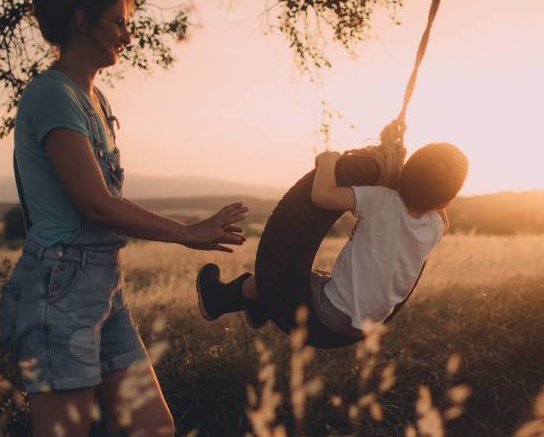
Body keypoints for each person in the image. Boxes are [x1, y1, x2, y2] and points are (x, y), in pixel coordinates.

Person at [0, 0, 249, 437]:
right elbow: (94, 203)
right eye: (117, 22)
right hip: (58, 286)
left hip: (100, 289)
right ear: (83, 21)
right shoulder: (52, 95)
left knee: (155, 434)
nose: (126, 36)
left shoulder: (94, 99)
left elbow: (104, 202)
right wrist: (187, 234)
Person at [195, 142, 468, 343]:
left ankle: (218, 299)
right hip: (369, 324)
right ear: (445, 202)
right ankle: (260, 308)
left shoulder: (381, 200)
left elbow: (322, 196)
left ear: (403, 175)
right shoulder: (438, 226)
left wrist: (328, 160)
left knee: (274, 275)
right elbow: (438, 208)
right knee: (312, 279)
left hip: (332, 312)